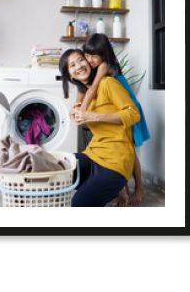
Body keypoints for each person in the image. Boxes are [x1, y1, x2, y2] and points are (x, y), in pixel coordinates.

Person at [70, 33, 150, 205]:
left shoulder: (104, 68)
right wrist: (76, 107)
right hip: (116, 109)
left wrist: (85, 111)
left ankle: (139, 189)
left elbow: (91, 92)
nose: (90, 59)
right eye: (87, 55)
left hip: (126, 103)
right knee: (119, 143)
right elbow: (83, 92)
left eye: (94, 55)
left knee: (129, 147)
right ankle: (122, 190)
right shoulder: (89, 75)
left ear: (103, 54)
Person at [59, 48, 140, 207]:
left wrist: (94, 116)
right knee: (60, 168)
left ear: (89, 61)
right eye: (72, 65)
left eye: (81, 60)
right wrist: (77, 112)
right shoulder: (84, 96)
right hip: (93, 154)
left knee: (78, 204)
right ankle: (108, 188)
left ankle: (113, 186)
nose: (79, 66)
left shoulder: (108, 83)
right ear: (69, 74)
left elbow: (133, 114)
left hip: (116, 160)